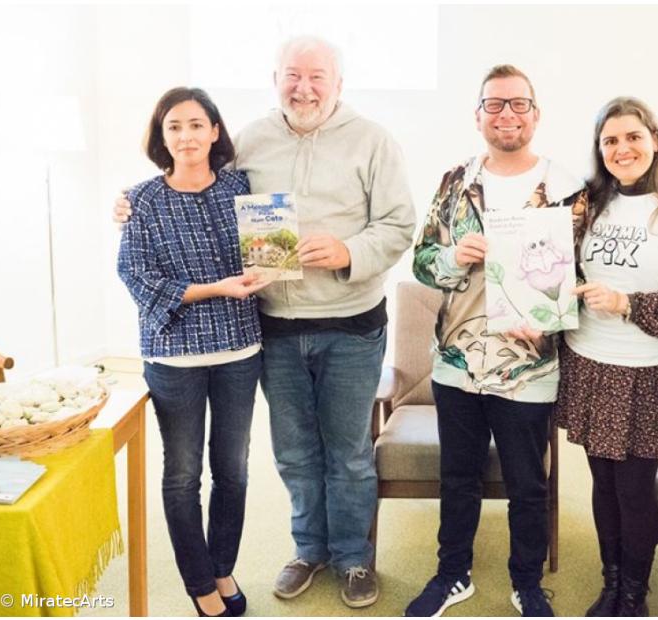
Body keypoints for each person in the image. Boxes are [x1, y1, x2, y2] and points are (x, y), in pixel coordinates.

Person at [114, 36, 416, 610]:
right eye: (292, 75)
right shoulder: (250, 140)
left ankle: (353, 556)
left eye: (317, 76)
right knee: (294, 452)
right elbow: (193, 184)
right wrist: (130, 202)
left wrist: (349, 250)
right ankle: (308, 549)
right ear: (275, 79)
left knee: (349, 451)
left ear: (339, 83)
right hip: (272, 325)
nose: (304, 88)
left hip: (351, 324)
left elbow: (400, 224)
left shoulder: (374, 140)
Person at [408, 64, 588, 618]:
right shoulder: (453, 182)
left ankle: (526, 583)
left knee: (528, 484)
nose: (506, 114)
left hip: (529, 368)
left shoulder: (569, 190)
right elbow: (421, 262)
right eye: (494, 104)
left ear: (536, 114)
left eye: (518, 104)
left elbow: (584, 276)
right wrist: (450, 257)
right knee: (457, 479)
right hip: (458, 363)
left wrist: (552, 318)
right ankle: (452, 574)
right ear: (478, 115)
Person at [555, 97, 658, 617]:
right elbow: (552, 266)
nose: (621, 149)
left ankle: (633, 595)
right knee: (602, 485)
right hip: (588, 362)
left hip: (648, 372)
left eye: (632, 137)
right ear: (599, 149)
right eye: (610, 141)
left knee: (635, 490)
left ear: (655, 141)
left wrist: (626, 303)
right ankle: (611, 584)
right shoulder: (586, 203)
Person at [117, 87, 268, 617]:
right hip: (173, 356)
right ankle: (199, 583)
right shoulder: (141, 199)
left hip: (239, 349)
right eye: (174, 127)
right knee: (183, 475)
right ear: (161, 137)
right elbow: (135, 275)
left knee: (234, 470)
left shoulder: (242, 188)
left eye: (196, 124)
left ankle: (222, 568)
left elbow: (269, 249)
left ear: (215, 131)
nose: (186, 136)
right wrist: (213, 289)